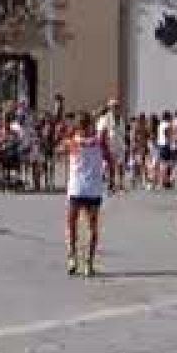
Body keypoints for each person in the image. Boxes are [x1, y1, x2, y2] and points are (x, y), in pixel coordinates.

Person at [62, 113, 115, 277]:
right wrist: (112, 179)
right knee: (92, 227)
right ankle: (88, 264)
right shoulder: (99, 143)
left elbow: (60, 148)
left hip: (76, 189)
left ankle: (72, 258)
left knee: (72, 224)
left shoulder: (72, 143)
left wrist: (70, 136)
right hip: (93, 189)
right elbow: (110, 160)